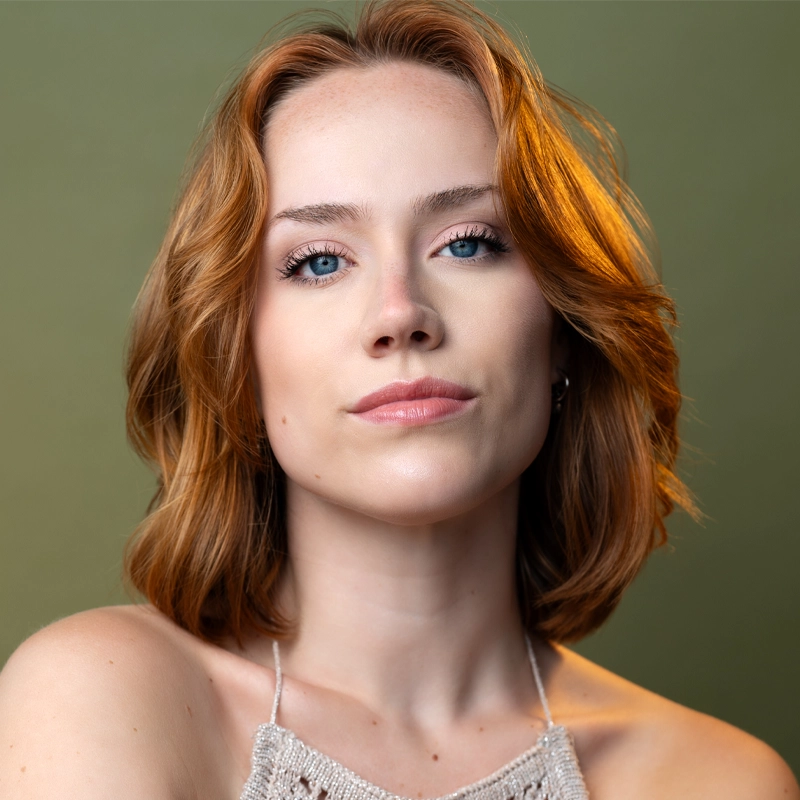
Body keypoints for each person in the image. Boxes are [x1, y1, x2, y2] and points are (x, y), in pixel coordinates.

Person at [1, 0, 797, 797]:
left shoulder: (720, 781)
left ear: (561, 328)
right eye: (318, 262)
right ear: (235, 353)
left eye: (468, 243)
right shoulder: (103, 698)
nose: (400, 314)